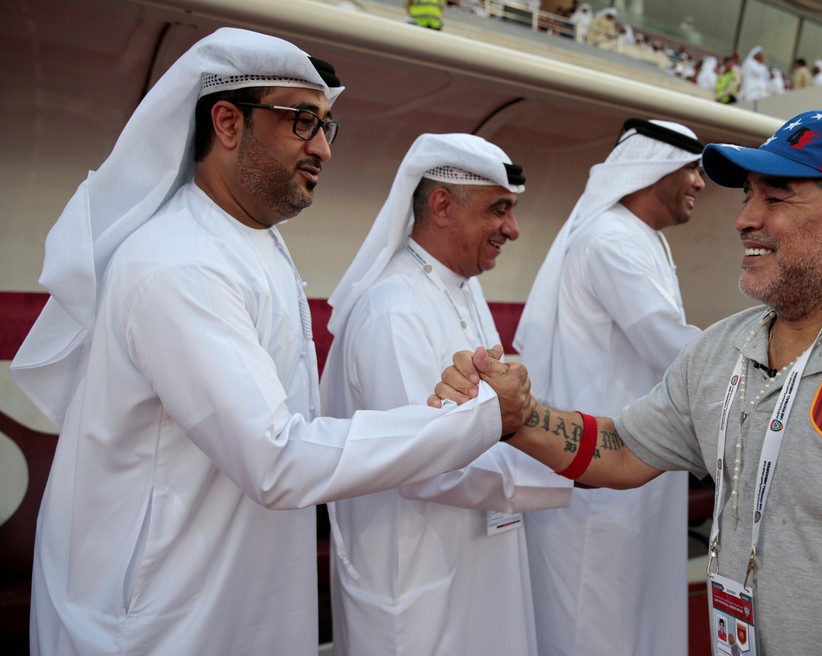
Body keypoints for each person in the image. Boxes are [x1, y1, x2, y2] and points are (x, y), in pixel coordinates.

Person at [9, 28, 525, 655]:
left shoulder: (251, 241)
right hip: (155, 615)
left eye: (326, 127)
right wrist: (474, 422)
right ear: (227, 122)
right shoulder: (178, 262)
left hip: (234, 590)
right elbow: (275, 456)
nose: (323, 150)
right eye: (302, 122)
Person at [436, 110, 822, 653]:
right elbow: (625, 449)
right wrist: (520, 415)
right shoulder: (723, 349)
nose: (743, 219)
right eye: (748, 196)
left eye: (776, 197)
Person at [320, 133, 572, 655]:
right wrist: (566, 467)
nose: (513, 229)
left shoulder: (462, 285)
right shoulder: (393, 308)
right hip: (416, 575)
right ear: (441, 206)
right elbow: (425, 464)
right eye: (498, 209)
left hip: (479, 556)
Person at [513, 118, 705, 656]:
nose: (699, 182)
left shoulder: (639, 238)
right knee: (594, 618)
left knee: (631, 610)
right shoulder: (609, 240)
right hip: (599, 473)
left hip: (634, 463)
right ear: (654, 169)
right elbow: (670, 345)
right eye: (690, 168)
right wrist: (771, 359)